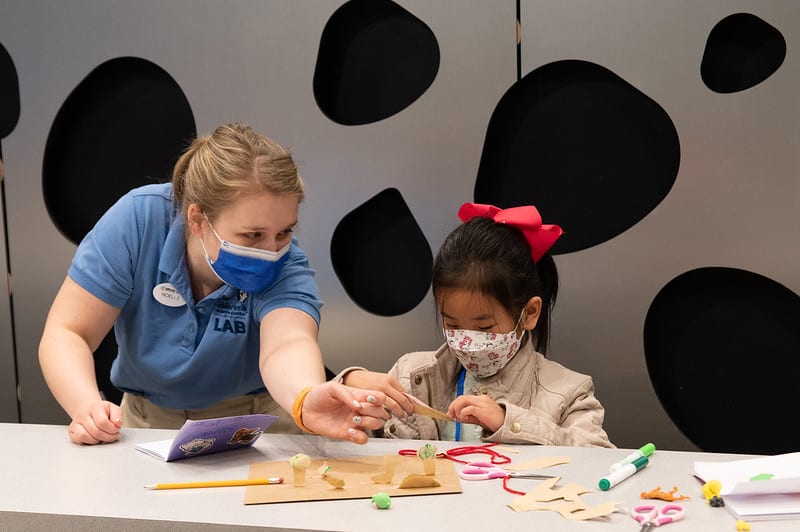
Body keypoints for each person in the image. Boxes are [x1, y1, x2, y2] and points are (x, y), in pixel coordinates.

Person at [39, 122, 388, 445]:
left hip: (257, 425)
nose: (271, 252)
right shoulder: (138, 222)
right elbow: (69, 331)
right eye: (252, 235)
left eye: (284, 232)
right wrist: (87, 406)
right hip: (148, 421)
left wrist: (304, 399)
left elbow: (287, 344)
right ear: (197, 220)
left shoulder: (287, 261)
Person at [340, 202, 614, 447]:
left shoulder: (569, 392)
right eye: (453, 325)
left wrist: (509, 422)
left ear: (529, 313)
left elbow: (599, 461)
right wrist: (347, 388)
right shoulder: (409, 376)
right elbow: (342, 445)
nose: (467, 342)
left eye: (484, 328)